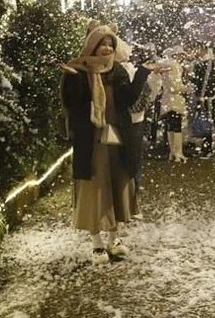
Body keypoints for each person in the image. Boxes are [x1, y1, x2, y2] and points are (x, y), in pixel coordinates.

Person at [60, 22, 165, 265]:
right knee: (95, 189)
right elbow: (72, 104)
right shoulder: (79, 70)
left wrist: (142, 73)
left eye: (110, 44)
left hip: (116, 136)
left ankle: (114, 238)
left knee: (116, 186)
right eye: (102, 44)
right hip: (92, 140)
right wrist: (72, 79)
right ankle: (97, 243)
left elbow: (127, 99)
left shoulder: (116, 70)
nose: (107, 48)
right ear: (92, 46)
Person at [117, 38, 163, 191]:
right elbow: (145, 94)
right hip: (130, 119)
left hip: (129, 119)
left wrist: (154, 76)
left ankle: (130, 191)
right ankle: (131, 191)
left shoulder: (128, 69)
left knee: (130, 158)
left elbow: (145, 93)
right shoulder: (124, 70)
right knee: (131, 158)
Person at [190, 42, 215, 158]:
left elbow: (205, 82)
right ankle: (206, 146)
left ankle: (208, 149)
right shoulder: (209, 63)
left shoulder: (207, 64)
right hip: (206, 97)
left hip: (206, 97)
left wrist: (202, 96)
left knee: (207, 122)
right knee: (206, 121)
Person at [159, 45, 189, 163]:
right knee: (177, 128)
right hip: (175, 100)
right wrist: (187, 88)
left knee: (171, 127)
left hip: (167, 100)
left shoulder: (166, 65)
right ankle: (178, 153)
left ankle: (173, 152)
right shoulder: (174, 66)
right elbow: (175, 86)